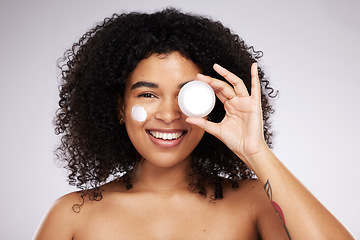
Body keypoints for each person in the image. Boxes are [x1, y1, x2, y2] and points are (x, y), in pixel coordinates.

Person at [34, 8, 354, 239]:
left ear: (212, 104)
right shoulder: (72, 215)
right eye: (147, 94)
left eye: (188, 95)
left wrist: (257, 152)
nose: (169, 114)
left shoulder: (255, 203)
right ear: (119, 107)